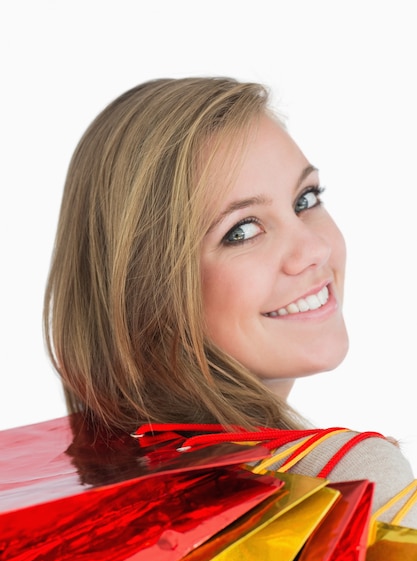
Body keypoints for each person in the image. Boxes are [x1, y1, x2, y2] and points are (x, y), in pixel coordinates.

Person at [43, 76, 417, 527]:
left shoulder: (76, 503)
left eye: (305, 199)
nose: (313, 250)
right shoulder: (354, 485)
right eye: (242, 230)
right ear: (151, 291)